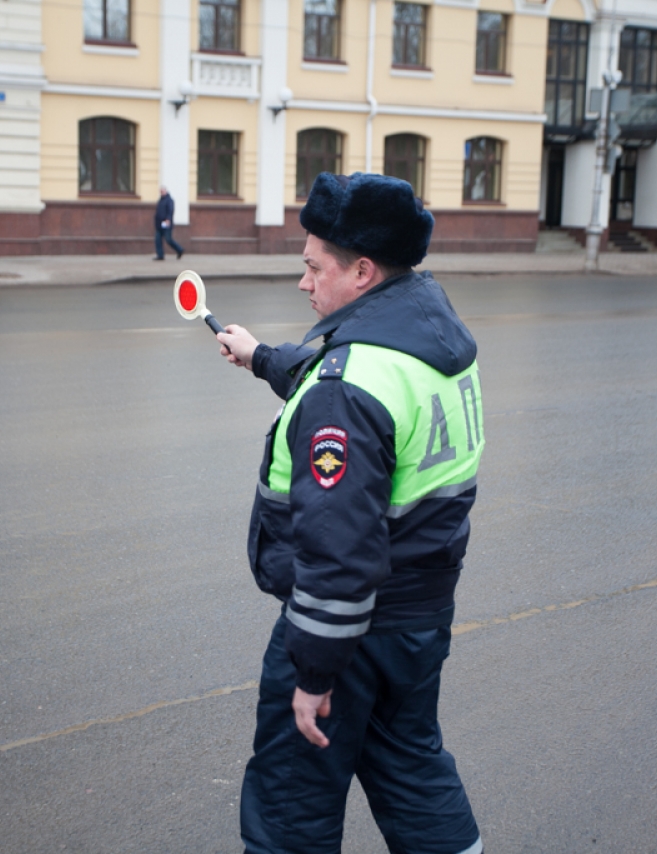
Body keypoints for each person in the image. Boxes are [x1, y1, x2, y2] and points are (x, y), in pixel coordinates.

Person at [216, 172, 485, 854]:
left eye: (313, 267)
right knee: (412, 771)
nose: (303, 283)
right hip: (419, 620)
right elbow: (348, 372)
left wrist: (313, 674)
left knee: (292, 804)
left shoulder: (348, 386)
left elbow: (339, 553)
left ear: (362, 271)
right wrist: (261, 358)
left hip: (348, 636)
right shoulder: (430, 332)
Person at [153, 185, 184, 261]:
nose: (161, 193)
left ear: (166, 191)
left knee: (168, 239)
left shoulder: (169, 200)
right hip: (159, 224)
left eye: (162, 191)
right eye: (160, 191)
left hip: (166, 223)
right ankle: (160, 255)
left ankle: (179, 250)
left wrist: (168, 219)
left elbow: (170, 211)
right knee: (157, 239)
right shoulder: (160, 200)